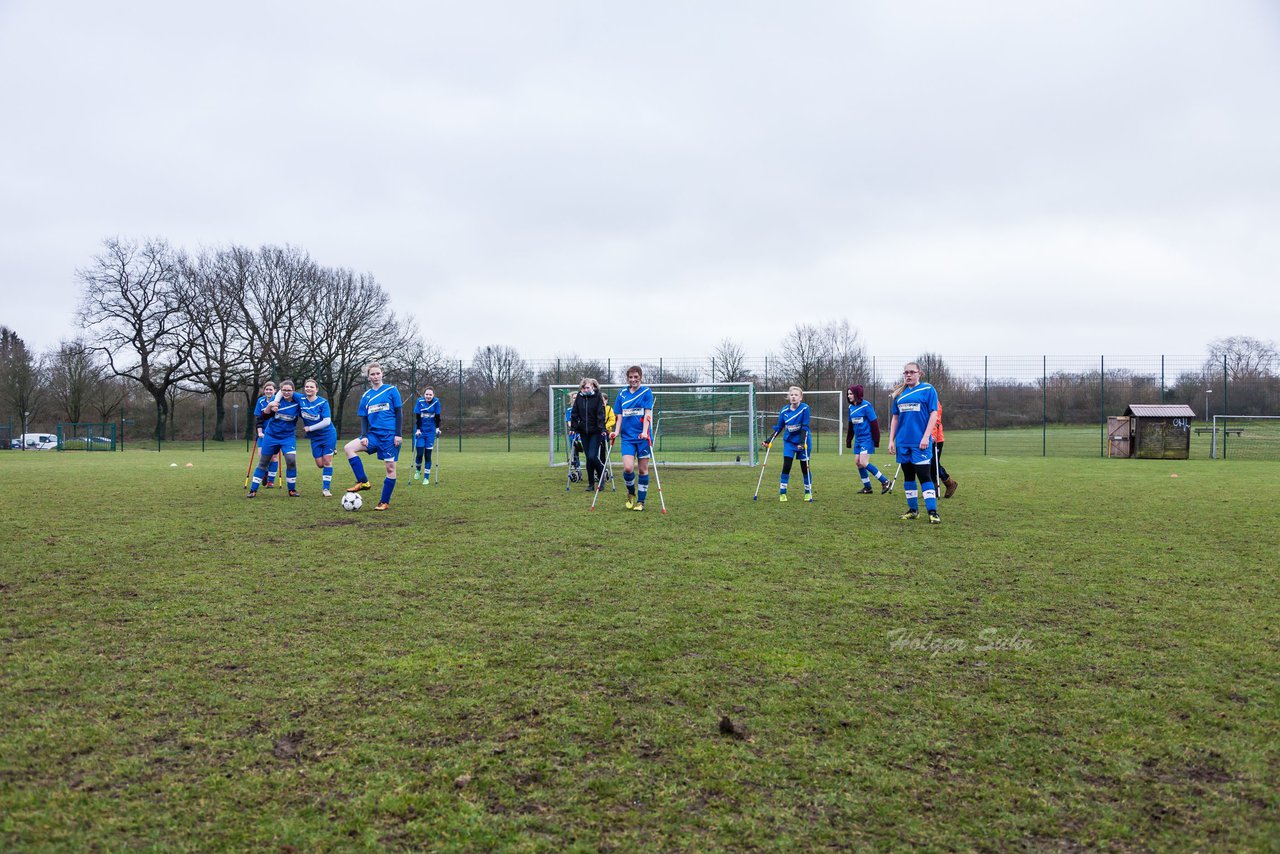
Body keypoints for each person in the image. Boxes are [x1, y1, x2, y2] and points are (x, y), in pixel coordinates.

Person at [342, 363, 403, 511]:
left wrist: (398, 435)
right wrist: (364, 435)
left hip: (389, 436)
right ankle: (363, 482)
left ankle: (384, 502)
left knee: (390, 468)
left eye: (377, 373)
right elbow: (363, 418)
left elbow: (399, 414)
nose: (375, 377)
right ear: (368, 376)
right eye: (372, 374)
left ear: (382, 373)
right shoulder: (366, 396)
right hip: (373, 435)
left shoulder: (392, 390)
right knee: (349, 448)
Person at [887, 362, 941, 523]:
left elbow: (933, 414)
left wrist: (926, 437)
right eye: (906, 373)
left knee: (924, 475)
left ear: (919, 373)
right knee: (908, 476)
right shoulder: (899, 395)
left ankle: (932, 512)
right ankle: (913, 510)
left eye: (911, 372)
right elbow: (895, 418)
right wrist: (891, 440)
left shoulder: (927, 390)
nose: (908, 375)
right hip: (903, 443)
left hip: (920, 443)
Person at [609, 365, 654, 511]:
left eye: (636, 377)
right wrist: (616, 431)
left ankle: (641, 501)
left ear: (640, 377)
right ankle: (631, 493)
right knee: (628, 468)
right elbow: (619, 415)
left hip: (643, 437)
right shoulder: (622, 393)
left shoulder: (646, 392)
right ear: (627, 378)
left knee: (642, 470)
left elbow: (648, 413)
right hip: (627, 437)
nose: (633, 379)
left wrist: (645, 432)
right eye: (630, 377)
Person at [248, 379, 302, 498]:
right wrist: (269, 407)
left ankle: (292, 490)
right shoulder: (276, 400)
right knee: (263, 462)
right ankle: (253, 490)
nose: (286, 392)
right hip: (271, 436)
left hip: (288, 437)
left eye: (289, 390)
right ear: (281, 391)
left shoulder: (298, 402)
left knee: (291, 460)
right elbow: (264, 416)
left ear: (293, 391)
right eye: (284, 390)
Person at [765, 386, 812, 502]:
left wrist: (802, 442)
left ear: (800, 397)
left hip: (803, 441)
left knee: (804, 467)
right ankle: (782, 493)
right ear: (789, 397)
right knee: (786, 465)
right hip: (789, 442)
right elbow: (779, 427)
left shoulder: (805, 408)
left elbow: (805, 426)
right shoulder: (784, 410)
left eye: (796, 395)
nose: (793, 397)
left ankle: (807, 492)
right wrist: (769, 439)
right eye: (791, 395)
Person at [845, 384, 893, 495]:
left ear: (857, 394)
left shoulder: (866, 406)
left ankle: (885, 481)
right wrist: (849, 440)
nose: (849, 396)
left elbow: (874, 423)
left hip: (867, 439)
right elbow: (850, 425)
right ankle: (867, 487)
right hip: (858, 440)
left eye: (851, 394)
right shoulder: (850, 408)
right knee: (857, 462)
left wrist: (876, 440)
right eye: (848, 394)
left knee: (863, 462)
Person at [299, 378, 338, 497]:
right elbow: (285, 389)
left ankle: (326, 489)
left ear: (316, 389)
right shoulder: (300, 399)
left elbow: (327, 421)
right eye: (307, 386)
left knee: (327, 462)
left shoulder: (323, 402)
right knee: (320, 464)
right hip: (315, 438)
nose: (309, 388)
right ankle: (332, 451)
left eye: (311, 387)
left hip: (328, 435)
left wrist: (309, 428)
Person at [570, 377, 608, 492]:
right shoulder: (579, 398)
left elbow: (601, 414)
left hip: (596, 431)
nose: (585, 389)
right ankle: (591, 484)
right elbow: (575, 412)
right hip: (583, 432)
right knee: (588, 458)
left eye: (587, 387)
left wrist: (602, 428)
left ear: (593, 387)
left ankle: (601, 473)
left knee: (592, 456)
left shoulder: (598, 397)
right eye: (583, 387)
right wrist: (574, 427)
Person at [252, 381, 280, 488]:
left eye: (271, 389)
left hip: (274, 434)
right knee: (261, 457)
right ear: (264, 391)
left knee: (273, 457)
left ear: (275, 390)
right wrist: (259, 432)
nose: (268, 391)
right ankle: (265, 472)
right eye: (267, 389)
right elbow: (258, 419)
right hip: (263, 433)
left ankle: (270, 482)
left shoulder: (278, 401)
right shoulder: (260, 401)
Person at [413, 385, 443, 485]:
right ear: (424, 395)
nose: (428, 396)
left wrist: (437, 429)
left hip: (430, 432)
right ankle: (418, 469)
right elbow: (417, 417)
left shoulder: (436, 402)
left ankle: (426, 477)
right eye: (427, 394)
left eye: (430, 394)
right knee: (420, 453)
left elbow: (438, 417)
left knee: (428, 455)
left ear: (433, 395)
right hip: (420, 431)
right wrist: (417, 430)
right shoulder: (419, 402)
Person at [932, 401, 958, 498]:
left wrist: (933, 435)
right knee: (928, 464)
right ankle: (933, 490)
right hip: (925, 438)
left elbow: (936, 421)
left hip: (936, 439)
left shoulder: (935, 402)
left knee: (934, 463)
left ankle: (950, 483)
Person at [564, 391, 583, 482]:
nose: (575, 399)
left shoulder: (584, 408)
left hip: (583, 433)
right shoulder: (569, 410)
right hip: (574, 434)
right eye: (574, 398)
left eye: (577, 397)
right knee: (575, 453)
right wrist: (574, 428)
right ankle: (577, 469)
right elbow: (569, 423)